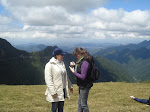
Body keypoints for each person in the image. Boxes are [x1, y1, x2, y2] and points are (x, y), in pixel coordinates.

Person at [45, 47, 74, 112]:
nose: (63, 56)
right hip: (55, 90)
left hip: (62, 90)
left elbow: (66, 77)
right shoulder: (49, 65)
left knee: (61, 109)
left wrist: (70, 86)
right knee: (54, 108)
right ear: (56, 55)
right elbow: (48, 80)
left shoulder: (62, 64)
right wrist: (53, 92)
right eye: (61, 55)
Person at [69, 47, 93, 112]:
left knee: (83, 104)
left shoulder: (85, 62)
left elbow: (83, 76)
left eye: (76, 55)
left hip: (85, 86)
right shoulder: (82, 61)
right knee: (80, 103)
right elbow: (81, 69)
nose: (76, 57)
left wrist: (73, 71)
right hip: (82, 85)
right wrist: (75, 65)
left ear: (79, 54)